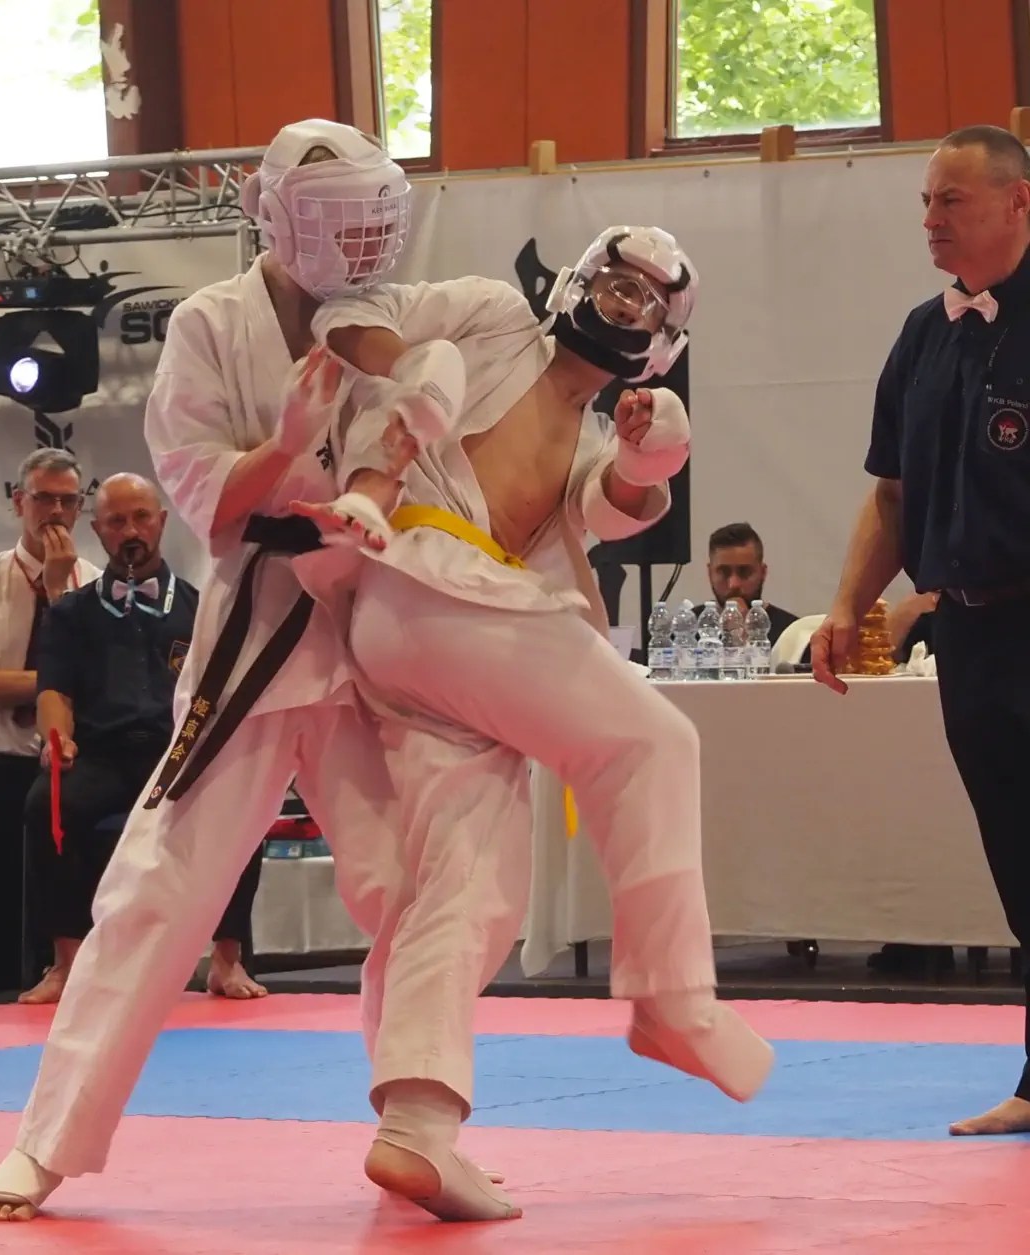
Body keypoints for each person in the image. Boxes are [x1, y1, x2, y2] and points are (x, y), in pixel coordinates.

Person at [0, 117, 460, 1221]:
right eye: (338, 220)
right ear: (278, 218)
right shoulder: (209, 324)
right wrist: (284, 444)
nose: (361, 241)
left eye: (372, 219)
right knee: (156, 889)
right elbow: (212, 506)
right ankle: (44, 1143)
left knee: (416, 886)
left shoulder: (394, 319)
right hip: (258, 633)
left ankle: (421, 1132)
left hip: (371, 629)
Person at [297, 226, 774, 1221]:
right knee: (653, 740)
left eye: (646, 301)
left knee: (470, 881)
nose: (622, 302)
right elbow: (354, 312)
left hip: (432, 642)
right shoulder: (488, 314)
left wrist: (649, 449)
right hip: (425, 582)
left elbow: (615, 504)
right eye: (615, 282)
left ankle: (417, 1124)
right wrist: (413, 377)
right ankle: (672, 998)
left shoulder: (591, 436)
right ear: (577, 279)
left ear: (662, 339)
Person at [809, 124, 1030, 1137]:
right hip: (969, 636)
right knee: (1018, 859)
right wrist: (847, 604)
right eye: (927, 202)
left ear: (1017, 203)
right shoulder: (922, 333)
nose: (932, 219)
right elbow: (893, 496)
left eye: (953, 201)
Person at [21, 473, 265, 1004]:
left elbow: (224, 692)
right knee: (47, 802)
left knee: (246, 800)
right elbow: (53, 692)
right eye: (116, 521)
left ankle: (227, 958)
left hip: (177, 754)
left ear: (161, 522)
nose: (130, 531)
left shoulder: (202, 610)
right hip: (101, 755)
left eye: (140, 518)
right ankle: (66, 962)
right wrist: (57, 740)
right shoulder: (70, 614)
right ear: (97, 530)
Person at [0, 449, 100, 995]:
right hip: (4, 769)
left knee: (70, 915)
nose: (55, 512)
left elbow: (101, 690)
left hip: (73, 770)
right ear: (18, 502)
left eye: (67, 501)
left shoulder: (96, 585)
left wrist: (60, 595)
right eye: (43, 499)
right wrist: (59, 682)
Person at [699, 522, 798, 645]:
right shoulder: (687, 627)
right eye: (724, 572)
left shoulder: (793, 633)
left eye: (744, 572)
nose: (734, 584)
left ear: (763, 573)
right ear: (710, 573)